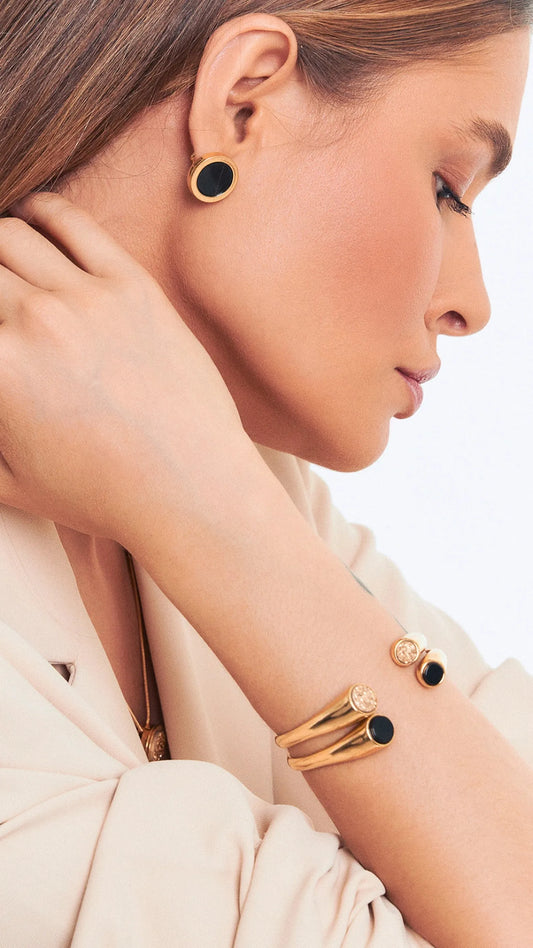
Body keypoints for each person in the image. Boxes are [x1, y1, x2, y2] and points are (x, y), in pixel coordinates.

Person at [0, 1, 532, 945]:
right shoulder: (218, 495)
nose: (473, 304)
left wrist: (208, 508)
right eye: (449, 188)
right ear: (241, 104)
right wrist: (215, 520)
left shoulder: (222, 475)